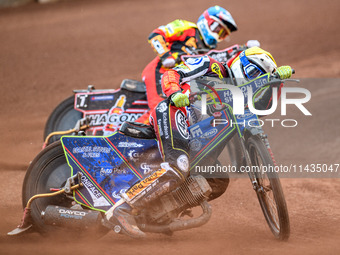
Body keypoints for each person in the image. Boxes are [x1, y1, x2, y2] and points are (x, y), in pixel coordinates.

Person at [106, 46, 293, 238]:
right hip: (174, 112)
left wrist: (274, 84)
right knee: (178, 166)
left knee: (218, 180)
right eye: (253, 73)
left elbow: (262, 108)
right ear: (239, 63)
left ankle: (160, 213)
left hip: (194, 139)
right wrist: (175, 93)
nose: (253, 79)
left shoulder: (242, 99)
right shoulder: (211, 66)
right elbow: (172, 73)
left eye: (258, 78)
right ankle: (122, 210)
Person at [136, 5, 238, 124]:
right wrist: (165, 55)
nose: (217, 35)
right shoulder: (187, 28)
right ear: (207, 22)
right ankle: (124, 138)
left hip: (179, 79)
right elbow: (156, 34)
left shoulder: (207, 51)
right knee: (159, 110)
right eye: (218, 29)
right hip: (160, 71)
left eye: (222, 34)